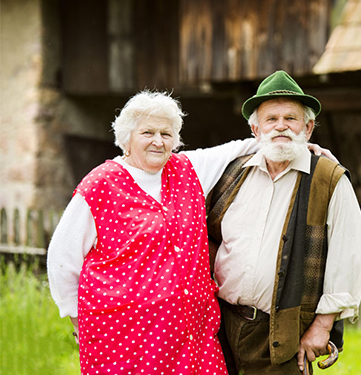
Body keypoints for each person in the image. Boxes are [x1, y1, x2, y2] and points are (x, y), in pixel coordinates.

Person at [46, 90, 332, 375]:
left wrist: (289, 142)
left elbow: (236, 148)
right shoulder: (100, 185)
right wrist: (77, 320)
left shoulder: (187, 169)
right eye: (148, 132)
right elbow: (62, 257)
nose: (158, 141)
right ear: (126, 138)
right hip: (124, 335)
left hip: (190, 336)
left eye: (166, 134)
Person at [206, 70, 361, 375]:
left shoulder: (328, 178)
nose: (281, 126)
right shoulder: (232, 173)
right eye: (271, 119)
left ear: (307, 128)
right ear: (255, 129)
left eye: (290, 118)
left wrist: (323, 326)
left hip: (282, 332)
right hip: (221, 326)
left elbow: (349, 255)